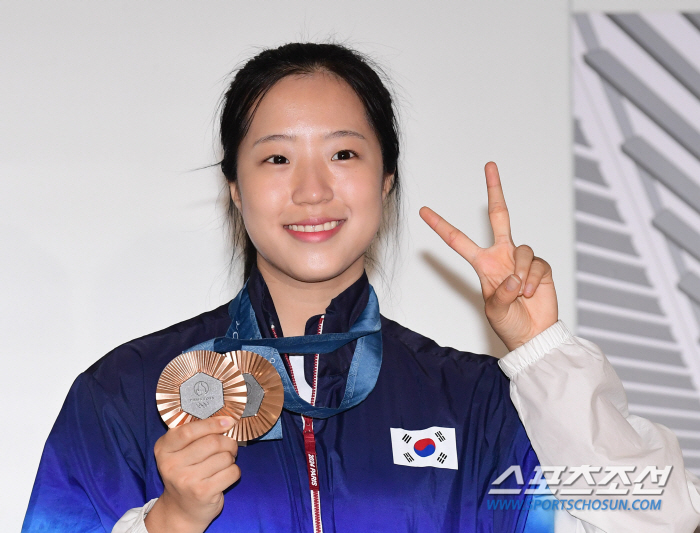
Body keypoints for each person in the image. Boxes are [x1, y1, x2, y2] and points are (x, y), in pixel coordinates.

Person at [22, 42, 700, 533]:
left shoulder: (478, 402)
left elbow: (658, 518)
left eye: (344, 153)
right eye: (277, 157)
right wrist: (168, 522)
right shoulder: (123, 394)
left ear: (386, 181)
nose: (312, 189)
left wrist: (543, 353)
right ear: (234, 188)